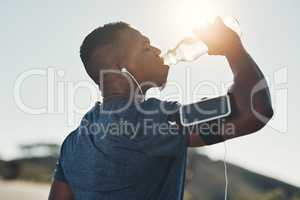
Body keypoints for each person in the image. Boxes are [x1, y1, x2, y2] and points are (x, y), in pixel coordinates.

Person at [48, 18, 273, 200]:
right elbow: (255, 110)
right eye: (146, 47)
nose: (157, 50)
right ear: (121, 68)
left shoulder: (73, 142)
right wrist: (233, 48)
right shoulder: (151, 119)